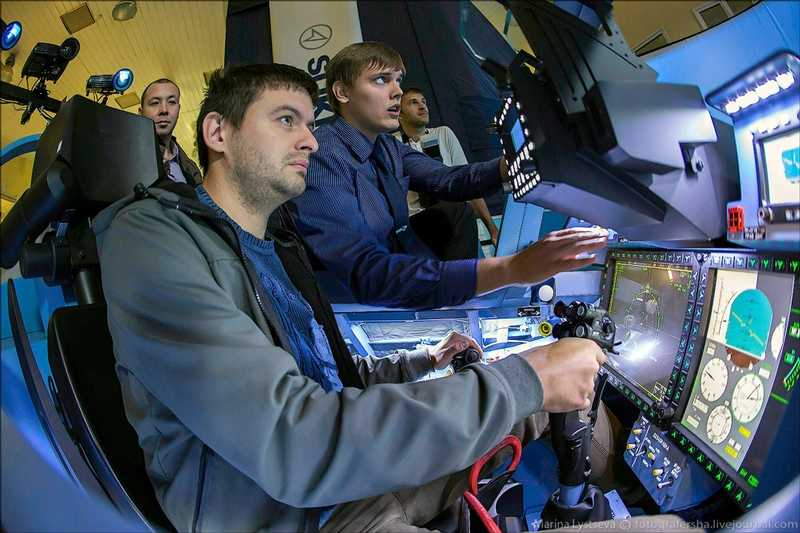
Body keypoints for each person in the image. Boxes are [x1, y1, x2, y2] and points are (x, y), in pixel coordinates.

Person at [95, 63, 607, 532]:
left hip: (346, 482)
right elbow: (296, 441)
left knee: (551, 408)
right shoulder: (151, 239)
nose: (309, 141)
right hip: (292, 515)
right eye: (286, 120)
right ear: (218, 133)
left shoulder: (275, 247)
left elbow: (321, 372)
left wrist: (420, 362)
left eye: (307, 123)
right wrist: (526, 377)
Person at [289, 42, 608, 310]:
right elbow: (363, 272)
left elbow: (448, 180)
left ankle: (459, 301)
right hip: (353, 297)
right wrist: (509, 269)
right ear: (342, 92)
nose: (397, 92)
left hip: (394, 263)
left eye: (398, 80)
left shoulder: (386, 146)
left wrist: (514, 160)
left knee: (454, 213)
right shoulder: (322, 155)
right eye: (381, 80)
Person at [398, 87, 500, 257]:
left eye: (424, 102)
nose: (422, 106)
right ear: (399, 114)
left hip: (454, 219)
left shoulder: (444, 133)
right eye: (413, 103)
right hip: (417, 224)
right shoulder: (393, 145)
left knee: (461, 208)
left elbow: (467, 181)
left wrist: (492, 229)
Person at [139, 77, 202, 186]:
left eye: (172, 102)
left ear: (178, 110)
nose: (164, 110)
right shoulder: (128, 159)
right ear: (141, 113)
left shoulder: (191, 169)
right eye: (155, 103)